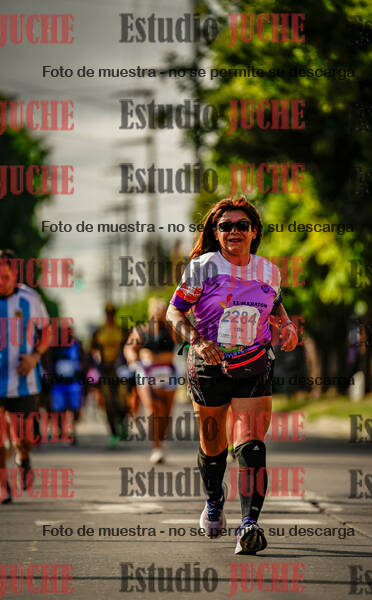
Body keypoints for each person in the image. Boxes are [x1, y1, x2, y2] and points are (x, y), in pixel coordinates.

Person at [166, 196, 298, 555]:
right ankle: (213, 500)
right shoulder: (203, 268)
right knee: (214, 446)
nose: (234, 232)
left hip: (254, 364)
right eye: (225, 226)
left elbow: (276, 303)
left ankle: (249, 525)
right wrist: (197, 340)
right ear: (216, 232)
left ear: (254, 232)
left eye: (242, 225)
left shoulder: (269, 271)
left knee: (251, 444)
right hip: (209, 366)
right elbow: (174, 312)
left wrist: (287, 326)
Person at [0, 249, 52, 504]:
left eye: (5, 277)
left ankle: (23, 457)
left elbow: (46, 332)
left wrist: (34, 357)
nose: (1, 282)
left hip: (24, 382)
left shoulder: (30, 298)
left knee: (24, 439)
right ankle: (2, 485)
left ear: (14, 275)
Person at [124, 298, 177, 464]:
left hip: (167, 372)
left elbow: (182, 341)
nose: (159, 316)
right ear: (150, 313)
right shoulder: (142, 330)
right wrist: (133, 358)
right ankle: (156, 447)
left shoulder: (171, 330)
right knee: (153, 409)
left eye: (162, 312)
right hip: (147, 372)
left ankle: (161, 440)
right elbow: (129, 348)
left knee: (165, 411)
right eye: (157, 312)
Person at [91, 303, 128, 448]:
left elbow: (128, 347)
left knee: (122, 401)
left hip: (120, 371)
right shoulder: (99, 332)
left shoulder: (122, 331)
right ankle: (113, 432)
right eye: (108, 314)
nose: (110, 316)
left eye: (112, 314)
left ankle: (122, 423)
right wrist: (97, 363)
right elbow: (93, 350)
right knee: (108, 403)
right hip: (105, 371)